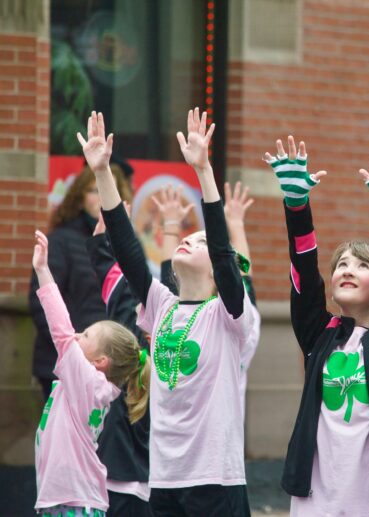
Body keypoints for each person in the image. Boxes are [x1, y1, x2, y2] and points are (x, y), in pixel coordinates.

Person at [78, 109, 256, 516]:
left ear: (217, 265)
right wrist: (103, 172)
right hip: (164, 476)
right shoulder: (161, 305)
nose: (189, 243)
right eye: (186, 239)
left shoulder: (228, 314)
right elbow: (125, 249)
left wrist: (204, 171)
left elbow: (228, 260)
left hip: (216, 479)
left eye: (201, 242)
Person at [265, 136, 369, 516]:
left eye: (361, 265)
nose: (347, 269)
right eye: (341, 264)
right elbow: (304, 275)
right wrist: (296, 205)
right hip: (319, 489)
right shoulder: (318, 334)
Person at [32, 230, 150, 517]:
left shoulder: (85, 381)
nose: (76, 336)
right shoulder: (88, 383)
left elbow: (60, 329)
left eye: (85, 335)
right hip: (70, 499)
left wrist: (43, 271)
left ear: (100, 361)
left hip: (74, 502)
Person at [154, 181, 260, 419]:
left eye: (203, 244)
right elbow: (170, 280)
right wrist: (170, 227)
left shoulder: (236, 319)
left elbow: (242, 278)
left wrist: (235, 224)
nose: (190, 243)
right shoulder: (173, 311)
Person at [29, 165, 132, 401]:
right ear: (80, 197)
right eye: (94, 190)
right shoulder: (62, 240)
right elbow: (41, 302)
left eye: (108, 190)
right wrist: (75, 351)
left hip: (109, 367)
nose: (101, 197)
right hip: (64, 361)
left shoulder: (125, 245)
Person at [86, 214, 152, 517]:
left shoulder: (132, 358)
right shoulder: (140, 354)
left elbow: (124, 298)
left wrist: (103, 245)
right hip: (143, 486)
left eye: (85, 335)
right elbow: (125, 298)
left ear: (103, 362)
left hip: (119, 488)